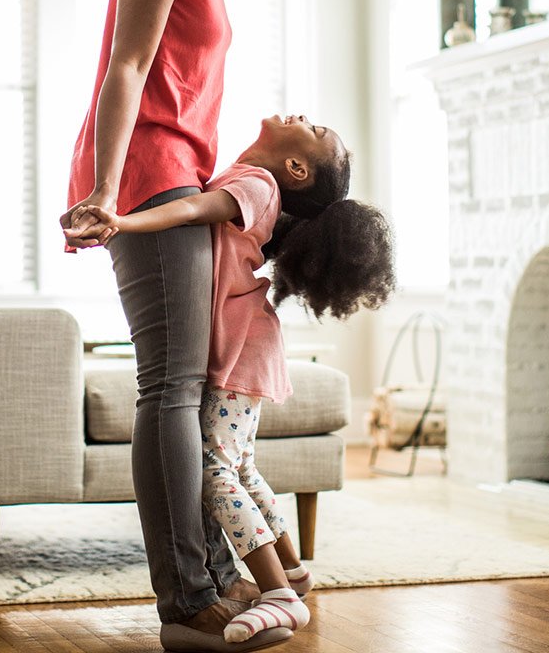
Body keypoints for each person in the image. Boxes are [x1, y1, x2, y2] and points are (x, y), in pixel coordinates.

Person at [59, 0, 336, 650]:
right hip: (147, 181)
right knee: (172, 391)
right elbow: (128, 66)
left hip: (169, 178)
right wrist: (109, 192)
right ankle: (186, 594)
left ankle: (208, 578)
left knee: (178, 389)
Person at [66, 114, 396, 644]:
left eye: (314, 131)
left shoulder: (257, 184)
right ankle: (291, 569)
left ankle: (278, 595)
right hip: (249, 345)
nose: (302, 119)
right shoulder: (256, 181)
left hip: (242, 348)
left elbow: (194, 209)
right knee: (238, 465)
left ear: (295, 167)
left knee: (215, 470)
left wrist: (123, 221)